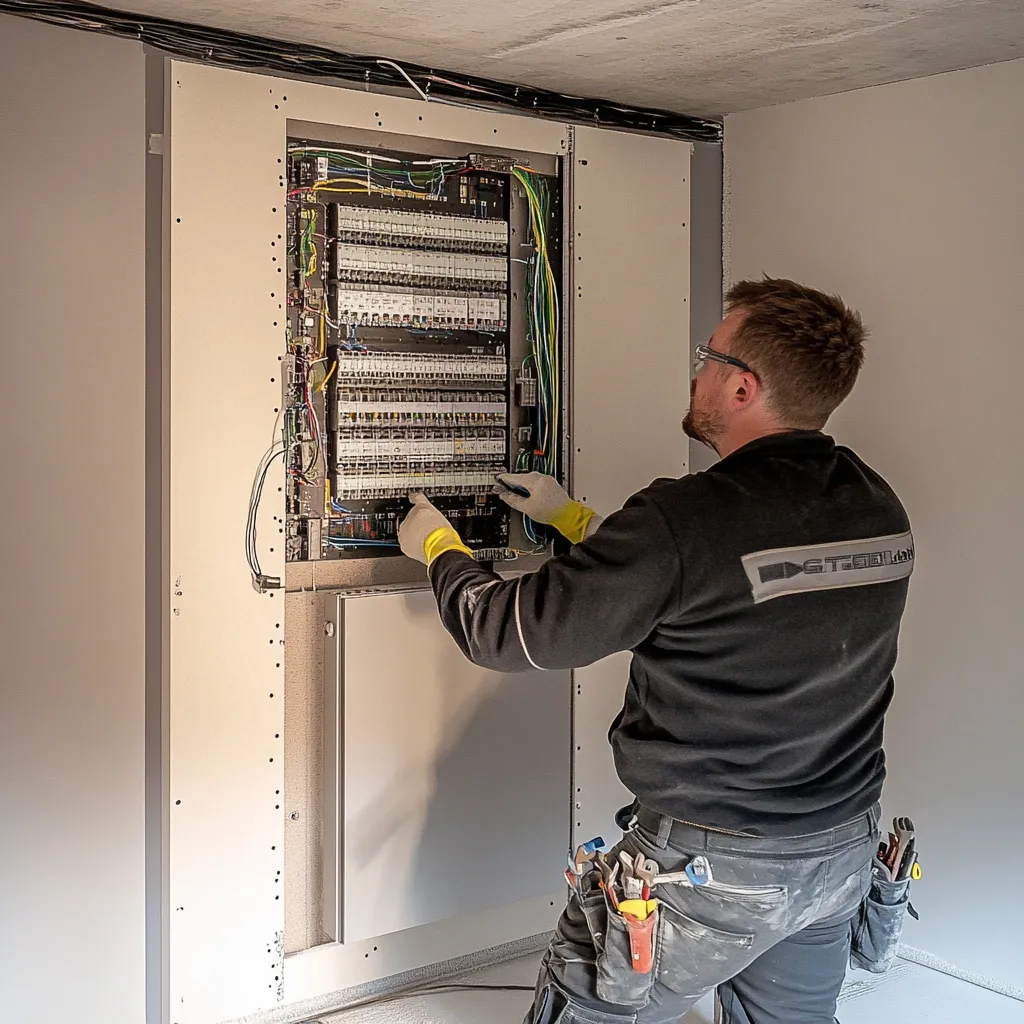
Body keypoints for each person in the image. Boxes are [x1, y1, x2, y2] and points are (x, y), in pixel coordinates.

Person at [397, 276, 914, 1024]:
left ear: (742, 388)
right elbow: (725, 584)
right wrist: (574, 519)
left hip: (709, 875)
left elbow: (505, 631)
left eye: (709, 355)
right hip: (837, 856)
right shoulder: (876, 503)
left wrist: (438, 548)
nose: (697, 369)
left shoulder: (686, 516)